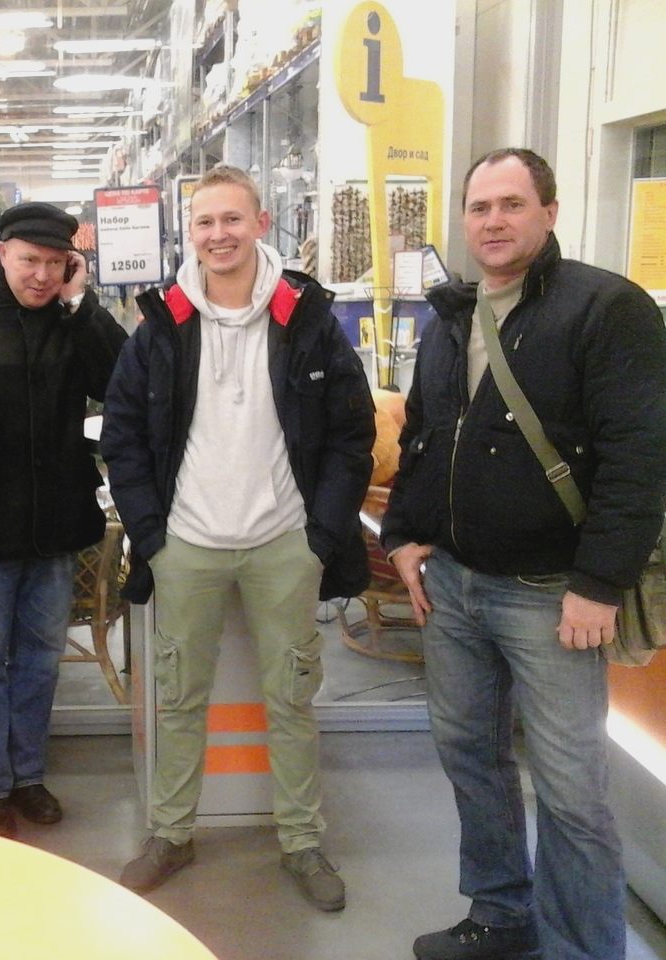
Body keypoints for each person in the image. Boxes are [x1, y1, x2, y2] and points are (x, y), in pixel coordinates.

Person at [382, 148, 666, 960]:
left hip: (553, 596)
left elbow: (640, 457)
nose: (494, 221)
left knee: (573, 794)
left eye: (512, 204)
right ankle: (502, 914)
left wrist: (600, 583)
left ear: (549, 211)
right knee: (472, 759)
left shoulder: (605, 309)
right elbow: (425, 436)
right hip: (455, 587)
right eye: (479, 207)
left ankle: (583, 949)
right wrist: (403, 535)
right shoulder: (452, 316)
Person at [100, 165, 375, 908]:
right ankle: (171, 833)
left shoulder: (306, 320)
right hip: (185, 544)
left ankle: (302, 840)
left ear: (261, 223)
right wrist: (153, 537)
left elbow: (352, 435)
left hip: (285, 542)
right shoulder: (161, 324)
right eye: (205, 222)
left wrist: (320, 536)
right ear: (190, 232)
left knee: (291, 698)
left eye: (231, 219)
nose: (218, 234)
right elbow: (123, 436)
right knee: (179, 697)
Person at [0, 202, 128, 839]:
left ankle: (28, 777)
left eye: (55, 263)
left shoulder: (71, 319)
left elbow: (122, 380)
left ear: (70, 265)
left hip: (57, 521)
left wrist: (82, 305)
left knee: (39, 660)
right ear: (3, 254)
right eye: (29, 261)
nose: (41, 275)